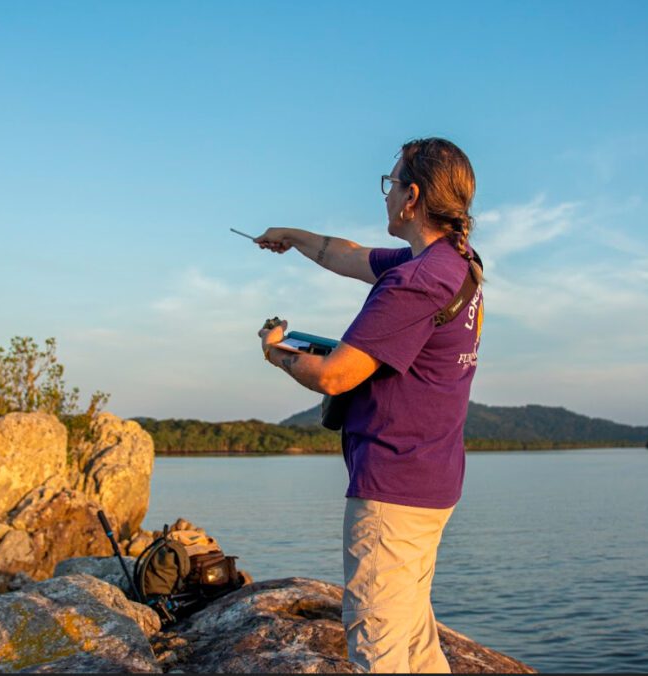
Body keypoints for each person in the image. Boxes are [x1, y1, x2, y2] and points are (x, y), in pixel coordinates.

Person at [254, 137, 484, 673]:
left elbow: (335, 375)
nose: (384, 195)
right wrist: (290, 236)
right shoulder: (456, 262)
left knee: (378, 652)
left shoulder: (414, 281)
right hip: (431, 480)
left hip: (392, 490)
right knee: (414, 644)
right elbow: (349, 255)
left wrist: (276, 353)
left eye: (390, 183)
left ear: (412, 196)